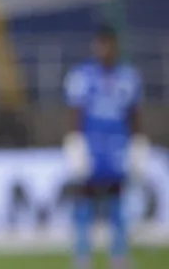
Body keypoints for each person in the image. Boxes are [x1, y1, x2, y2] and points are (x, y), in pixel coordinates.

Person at [63, 25, 149, 269]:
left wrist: (138, 142)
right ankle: (82, 255)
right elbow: (75, 111)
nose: (104, 49)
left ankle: (119, 255)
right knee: (85, 198)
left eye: (108, 44)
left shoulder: (128, 76)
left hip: (118, 145)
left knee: (118, 200)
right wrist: (75, 141)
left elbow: (134, 113)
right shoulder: (82, 75)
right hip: (91, 144)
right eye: (100, 44)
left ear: (115, 45)